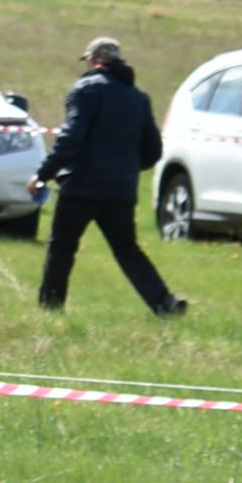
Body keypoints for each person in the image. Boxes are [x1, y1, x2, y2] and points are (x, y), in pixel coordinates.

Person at [32, 34, 186, 318]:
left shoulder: (84, 90)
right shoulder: (138, 99)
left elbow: (70, 140)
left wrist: (42, 175)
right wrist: (124, 168)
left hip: (80, 187)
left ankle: (50, 309)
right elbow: (153, 150)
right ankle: (164, 304)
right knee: (127, 250)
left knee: (62, 249)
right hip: (120, 190)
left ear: (92, 61)